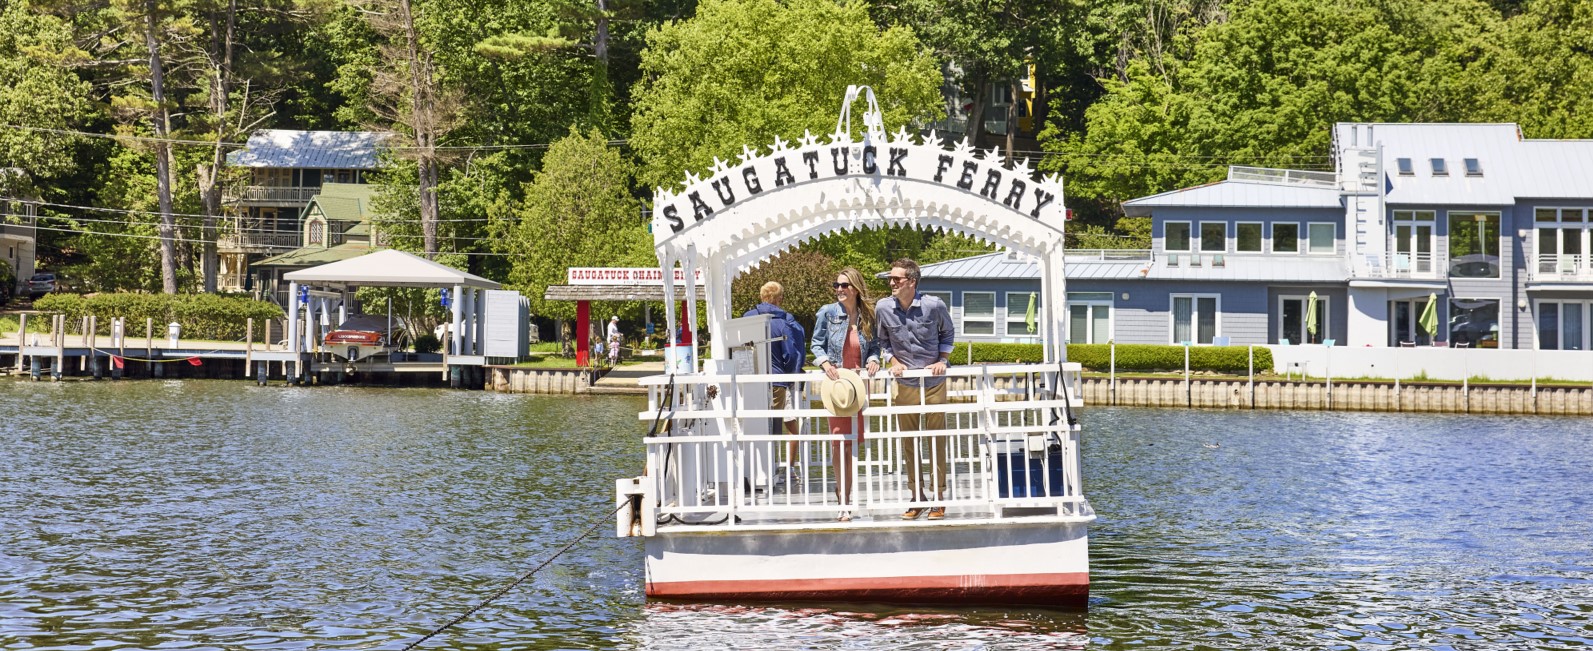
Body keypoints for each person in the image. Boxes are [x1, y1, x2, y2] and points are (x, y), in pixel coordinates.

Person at [874, 258, 955, 521]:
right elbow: (882, 342)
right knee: (910, 442)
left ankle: (938, 498)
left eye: (896, 279)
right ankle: (917, 497)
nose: (891, 283)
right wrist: (893, 362)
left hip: (933, 382)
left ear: (911, 281)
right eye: (891, 279)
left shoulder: (934, 305)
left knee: (936, 439)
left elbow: (949, 334)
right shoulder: (883, 307)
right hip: (905, 383)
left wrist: (942, 361)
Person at [811, 267, 880, 521]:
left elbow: (874, 346)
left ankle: (846, 493)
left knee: (853, 443)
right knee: (839, 442)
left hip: (858, 387)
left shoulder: (867, 316)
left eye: (844, 285)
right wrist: (826, 363)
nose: (839, 289)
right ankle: (843, 497)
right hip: (837, 385)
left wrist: (874, 359)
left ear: (856, 288)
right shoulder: (827, 313)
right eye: (836, 285)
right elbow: (816, 344)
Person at [743, 282, 807, 467]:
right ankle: (782, 467)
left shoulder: (747, 318)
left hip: (750, 380)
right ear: (779, 298)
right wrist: (792, 374)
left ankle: (755, 467)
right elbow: (792, 354)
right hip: (777, 380)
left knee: (754, 423)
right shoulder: (784, 321)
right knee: (781, 425)